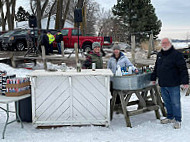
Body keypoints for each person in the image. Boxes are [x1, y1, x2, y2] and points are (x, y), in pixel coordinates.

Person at [151, 37, 189, 129]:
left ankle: (177, 120)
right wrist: (153, 78)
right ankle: (170, 117)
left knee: (175, 103)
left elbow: (183, 69)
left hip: (173, 83)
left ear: (170, 44)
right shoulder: (160, 55)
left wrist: (185, 81)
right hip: (163, 83)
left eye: (166, 43)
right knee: (167, 102)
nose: (164, 44)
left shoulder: (176, 55)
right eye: (162, 43)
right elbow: (156, 68)